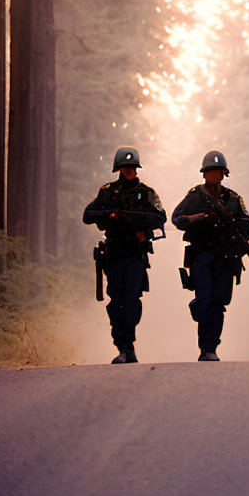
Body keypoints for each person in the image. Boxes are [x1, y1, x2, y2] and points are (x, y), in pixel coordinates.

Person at [82, 146, 166, 364]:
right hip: (115, 254)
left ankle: (128, 344)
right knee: (116, 301)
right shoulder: (107, 192)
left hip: (136, 254)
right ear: (118, 168)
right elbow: (88, 215)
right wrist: (111, 215)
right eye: (124, 167)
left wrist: (138, 225)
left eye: (131, 167)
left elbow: (160, 218)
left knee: (131, 301)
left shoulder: (147, 193)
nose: (128, 170)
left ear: (136, 169)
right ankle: (122, 347)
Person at [172, 150, 249, 361]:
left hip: (225, 258)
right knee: (206, 300)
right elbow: (177, 218)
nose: (215, 175)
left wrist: (230, 227)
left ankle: (212, 345)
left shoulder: (234, 198)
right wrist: (200, 219)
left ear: (224, 174)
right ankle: (207, 348)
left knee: (219, 302)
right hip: (201, 256)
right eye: (211, 171)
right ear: (204, 173)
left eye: (218, 172)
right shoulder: (195, 195)